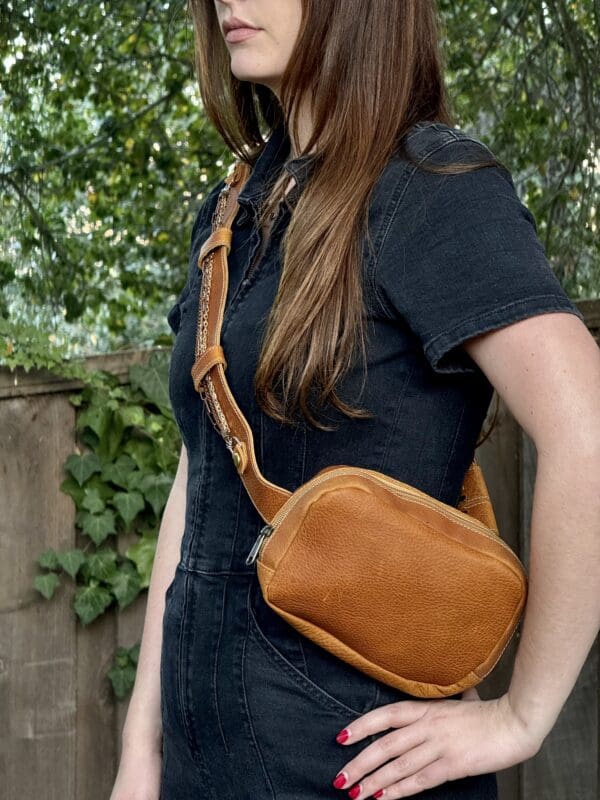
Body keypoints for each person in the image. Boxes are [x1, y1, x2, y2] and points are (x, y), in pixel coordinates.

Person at [110, 2, 600, 799]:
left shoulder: (432, 186)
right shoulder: (236, 208)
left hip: (352, 770)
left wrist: (522, 717)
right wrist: (143, 748)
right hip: (203, 768)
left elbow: (589, 433)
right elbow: (201, 471)